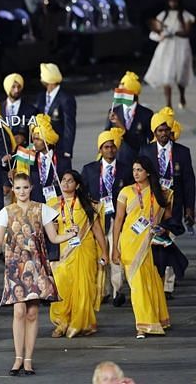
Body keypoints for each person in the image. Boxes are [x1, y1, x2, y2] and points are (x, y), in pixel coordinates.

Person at [0, 173, 78, 376]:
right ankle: (17, 358)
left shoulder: (42, 209)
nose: (22, 191)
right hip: (16, 266)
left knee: (32, 313)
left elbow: (53, 237)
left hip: (37, 265)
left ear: (31, 188)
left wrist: (71, 234)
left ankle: (28, 360)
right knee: (18, 312)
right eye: (18, 188)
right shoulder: (6, 212)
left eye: (25, 187)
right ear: (13, 190)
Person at [112, 156, 172, 339]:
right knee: (137, 285)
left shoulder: (160, 192)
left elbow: (168, 216)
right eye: (134, 170)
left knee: (151, 281)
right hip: (130, 242)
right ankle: (143, 325)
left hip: (152, 242)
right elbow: (119, 221)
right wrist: (115, 247)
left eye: (139, 170)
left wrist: (162, 227)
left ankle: (158, 318)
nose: (135, 173)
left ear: (148, 172)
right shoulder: (126, 192)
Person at [139, 108, 194, 298]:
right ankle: (156, 279)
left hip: (175, 204)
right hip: (153, 204)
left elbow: (189, 181)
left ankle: (168, 285)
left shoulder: (182, 152)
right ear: (154, 132)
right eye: (159, 130)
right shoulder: (146, 150)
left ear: (171, 131)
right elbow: (140, 177)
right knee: (154, 242)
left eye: (166, 130)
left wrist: (190, 208)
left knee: (169, 240)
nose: (163, 133)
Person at [49, 171, 109, 338]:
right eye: (63, 180)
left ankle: (80, 323)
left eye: (70, 181)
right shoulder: (53, 204)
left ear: (77, 185)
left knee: (83, 288)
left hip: (85, 250)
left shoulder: (87, 205)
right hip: (63, 252)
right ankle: (62, 322)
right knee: (62, 287)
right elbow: (51, 232)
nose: (66, 183)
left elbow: (97, 230)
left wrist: (105, 252)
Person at [81, 130, 133, 307]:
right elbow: (82, 194)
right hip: (97, 219)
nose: (110, 150)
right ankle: (101, 290)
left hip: (118, 218)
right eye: (106, 147)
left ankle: (117, 291)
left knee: (115, 253)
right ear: (100, 150)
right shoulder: (89, 169)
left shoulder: (126, 169)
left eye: (112, 147)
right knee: (99, 254)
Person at [145, 0, 194, 108]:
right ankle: (168, 104)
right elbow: (156, 28)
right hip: (167, 48)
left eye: (175, 0)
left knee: (181, 74)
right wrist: (162, 33)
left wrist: (173, 32)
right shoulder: (163, 15)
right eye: (170, 0)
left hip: (181, 47)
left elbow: (187, 32)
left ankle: (182, 96)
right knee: (167, 74)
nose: (172, 3)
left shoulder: (185, 15)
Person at [105, 72, 153, 167]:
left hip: (139, 163)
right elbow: (106, 137)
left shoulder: (146, 114)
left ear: (132, 93)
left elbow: (151, 141)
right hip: (118, 162)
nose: (120, 94)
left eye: (123, 91)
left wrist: (121, 126)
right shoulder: (114, 111)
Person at [36, 63, 76, 172]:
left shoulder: (66, 98)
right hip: (43, 147)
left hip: (60, 147)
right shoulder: (41, 97)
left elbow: (69, 125)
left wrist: (67, 150)